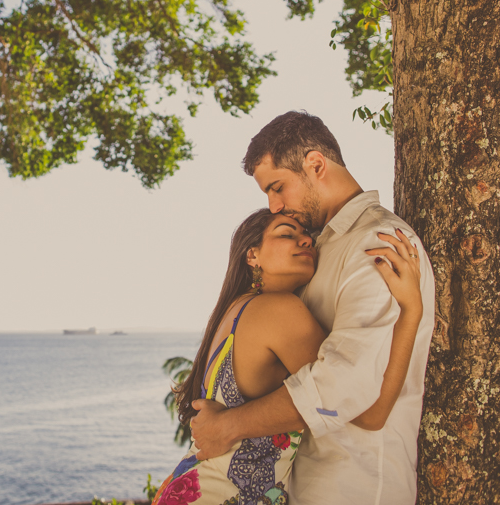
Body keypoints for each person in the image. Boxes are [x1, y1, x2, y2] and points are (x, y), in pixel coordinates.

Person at [189, 111, 435, 504]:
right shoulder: (316, 251)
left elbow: (347, 391)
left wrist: (230, 425)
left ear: (315, 164)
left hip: (354, 485)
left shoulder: (376, 243)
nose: (273, 206)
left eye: (277, 187)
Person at [150, 207, 423, 505]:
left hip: (190, 485)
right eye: (286, 233)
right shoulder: (280, 311)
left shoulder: (237, 310)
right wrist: (411, 311)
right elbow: (369, 413)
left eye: (305, 234)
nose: (305, 240)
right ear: (252, 255)